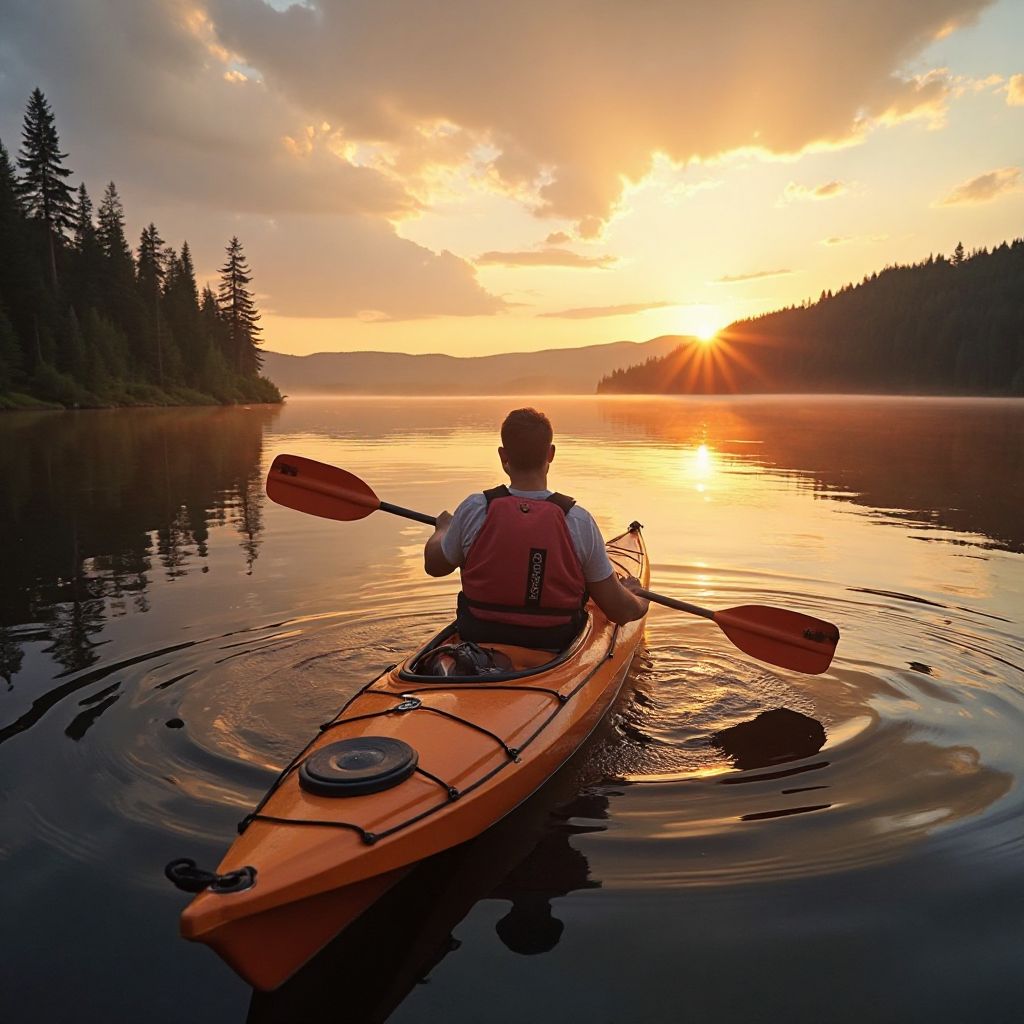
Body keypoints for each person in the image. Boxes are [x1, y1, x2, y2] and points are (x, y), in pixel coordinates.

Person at [424, 408, 649, 649]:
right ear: (550, 454)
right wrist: (638, 597)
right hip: (554, 645)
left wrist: (443, 529)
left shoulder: (474, 509)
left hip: (477, 642)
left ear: (503, 455)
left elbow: (434, 565)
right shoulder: (577, 521)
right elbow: (619, 612)